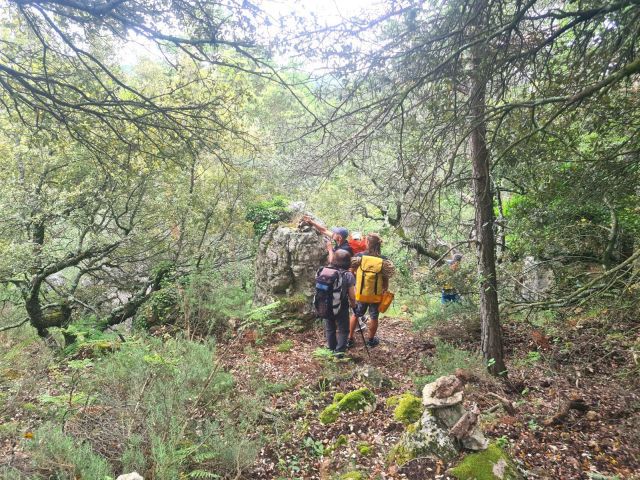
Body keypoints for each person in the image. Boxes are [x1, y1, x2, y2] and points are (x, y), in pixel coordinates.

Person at [347, 233, 395, 348]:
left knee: (355, 314)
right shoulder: (383, 260)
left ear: (368, 243)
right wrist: (385, 288)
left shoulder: (359, 257)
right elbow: (386, 277)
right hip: (376, 294)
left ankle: (350, 339)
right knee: (374, 316)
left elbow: (350, 271)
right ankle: (371, 340)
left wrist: (355, 283)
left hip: (361, 293)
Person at [316, 249, 356, 356]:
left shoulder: (325, 270)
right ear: (348, 261)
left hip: (325, 304)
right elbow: (352, 296)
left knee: (330, 328)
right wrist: (354, 305)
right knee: (343, 329)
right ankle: (339, 353)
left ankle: (331, 349)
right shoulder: (348, 275)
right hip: (341, 306)